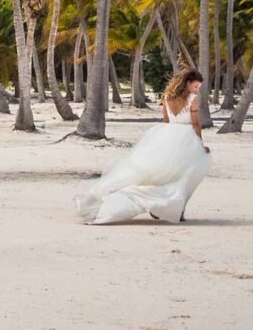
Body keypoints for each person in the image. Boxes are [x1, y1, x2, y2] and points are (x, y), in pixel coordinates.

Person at [75, 67, 212, 224]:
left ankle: (164, 207)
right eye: (195, 86)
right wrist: (200, 144)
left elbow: (167, 121)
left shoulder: (167, 97)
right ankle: (174, 209)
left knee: (157, 175)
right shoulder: (191, 100)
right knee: (186, 177)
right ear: (187, 83)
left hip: (165, 136)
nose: (196, 90)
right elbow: (196, 124)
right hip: (186, 138)